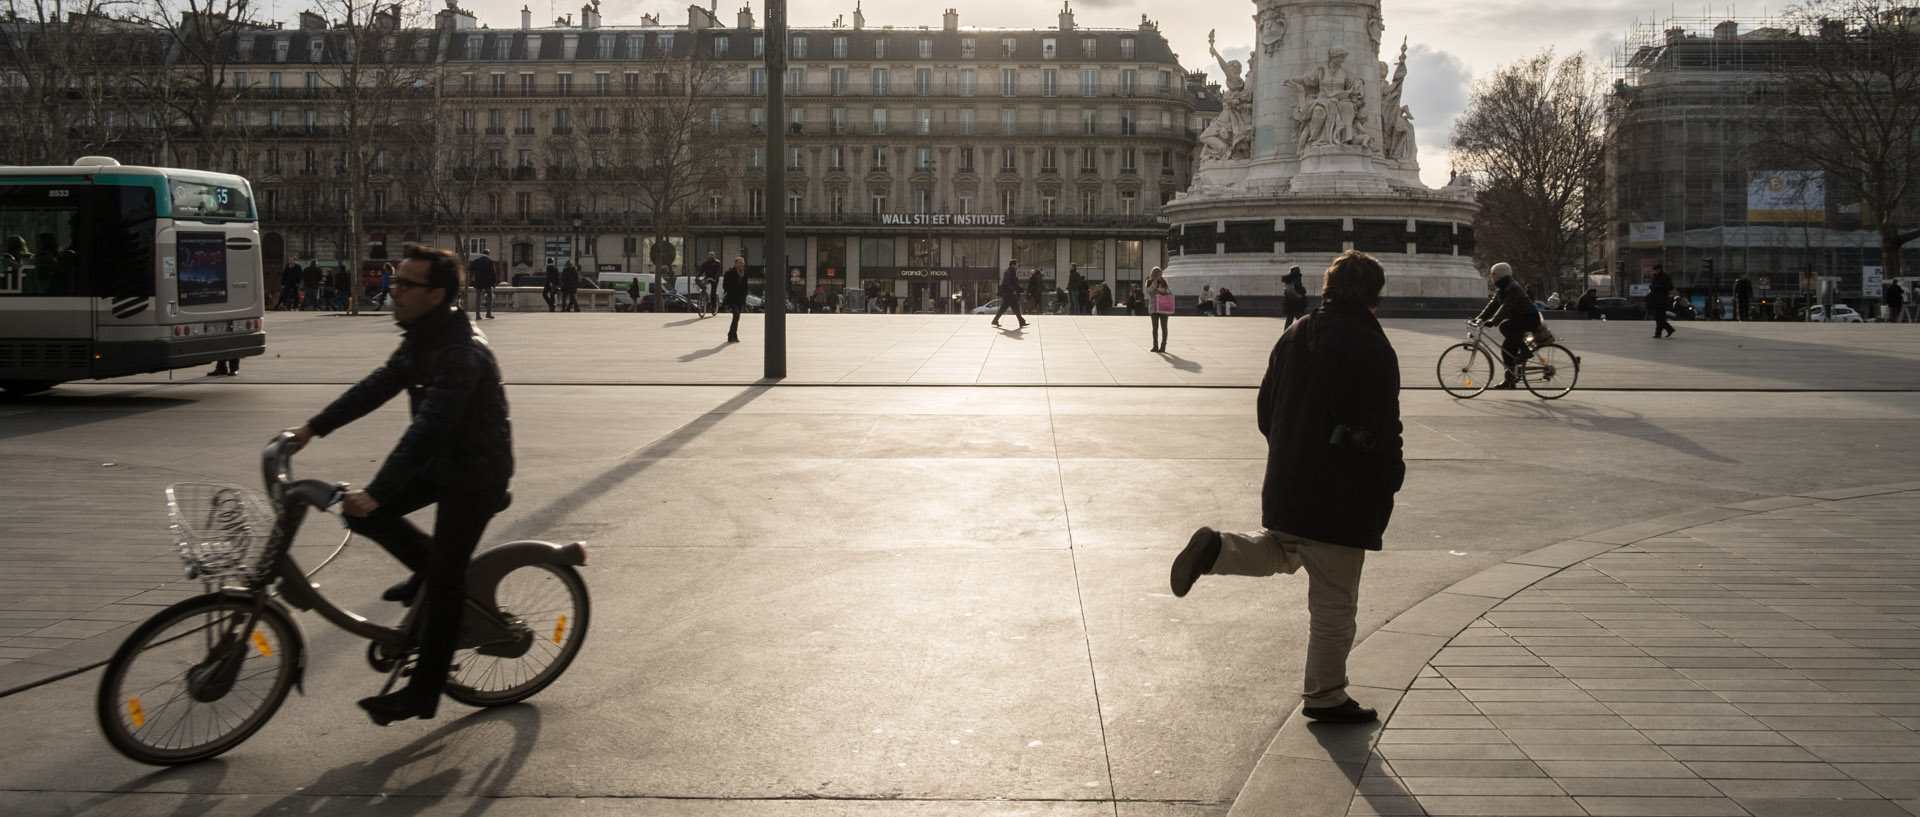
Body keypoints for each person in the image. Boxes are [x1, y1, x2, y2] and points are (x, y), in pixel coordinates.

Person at [1170, 249, 1403, 725]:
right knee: (1334, 600)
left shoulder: (1297, 333)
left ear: (1326, 288)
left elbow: (1265, 410)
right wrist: (1389, 476)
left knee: (1285, 550)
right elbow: (1384, 426)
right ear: (1375, 294)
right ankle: (1325, 694)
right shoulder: (1372, 345)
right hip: (1342, 489)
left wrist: (1293, 449)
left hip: (1289, 479)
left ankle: (1218, 549)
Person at [282, 244, 512, 727]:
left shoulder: (460, 352)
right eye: (395, 281)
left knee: (446, 580)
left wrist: (382, 490)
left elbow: (429, 427)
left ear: (436, 294)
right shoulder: (421, 338)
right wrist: (311, 429)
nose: (393, 291)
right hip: (441, 463)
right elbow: (377, 385)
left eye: (405, 284)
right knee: (354, 509)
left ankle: (422, 692)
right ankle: (427, 568)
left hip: (475, 474)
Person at [1474, 263, 1541, 390]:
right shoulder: (1502, 288)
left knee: (1505, 326)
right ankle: (1510, 380)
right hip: (1519, 319)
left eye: (1494, 274)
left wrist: (1493, 321)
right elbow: (1492, 305)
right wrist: (1479, 318)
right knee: (1507, 349)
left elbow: (1507, 306)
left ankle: (1526, 351)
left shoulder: (1513, 287)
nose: (1491, 277)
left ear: (1502, 275)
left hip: (1530, 318)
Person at [991, 259, 1028, 328]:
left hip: (1009, 294)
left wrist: (1021, 289)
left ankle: (995, 320)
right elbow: (1006, 283)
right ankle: (1022, 322)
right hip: (1009, 294)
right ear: (1013, 265)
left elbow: (1014, 283)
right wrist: (1013, 290)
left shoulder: (1012, 272)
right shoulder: (1008, 272)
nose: (1018, 266)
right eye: (1017, 265)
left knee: (1005, 308)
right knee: (1015, 308)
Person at [1146, 267, 1173, 352]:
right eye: (1158, 275)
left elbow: (1171, 292)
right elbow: (1149, 291)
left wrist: (1164, 291)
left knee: (1164, 327)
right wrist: (1154, 283)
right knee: (1155, 327)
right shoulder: (1149, 282)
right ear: (1154, 275)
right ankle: (1155, 345)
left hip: (1163, 307)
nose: (1160, 277)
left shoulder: (1164, 282)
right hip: (1154, 308)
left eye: (1161, 275)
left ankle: (1163, 345)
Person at [723, 255, 747, 342]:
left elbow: (745, 287)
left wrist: (744, 297)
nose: (742, 265)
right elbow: (725, 286)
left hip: (740, 299)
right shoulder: (729, 273)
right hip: (732, 298)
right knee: (736, 315)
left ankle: (733, 335)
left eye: (743, 263)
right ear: (736, 263)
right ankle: (731, 334)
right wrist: (732, 291)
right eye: (740, 263)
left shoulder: (744, 273)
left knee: (736, 317)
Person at [1648, 264, 1675, 338]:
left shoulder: (1666, 277)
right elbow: (1653, 288)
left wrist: (1657, 287)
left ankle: (1659, 333)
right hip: (1655, 300)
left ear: (1659, 269)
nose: (1653, 271)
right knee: (1658, 318)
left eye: (1655, 270)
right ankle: (1669, 329)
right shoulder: (1655, 277)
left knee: (1660, 318)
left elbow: (1670, 287)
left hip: (1662, 300)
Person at [470, 249, 498, 318]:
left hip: (478, 282)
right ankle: (488, 313)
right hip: (487, 282)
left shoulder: (476, 261)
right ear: (488, 254)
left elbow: (470, 268)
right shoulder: (490, 262)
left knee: (478, 298)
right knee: (489, 297)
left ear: (482, 254)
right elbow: (493, 273)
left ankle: (478, 315)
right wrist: (494, 283)